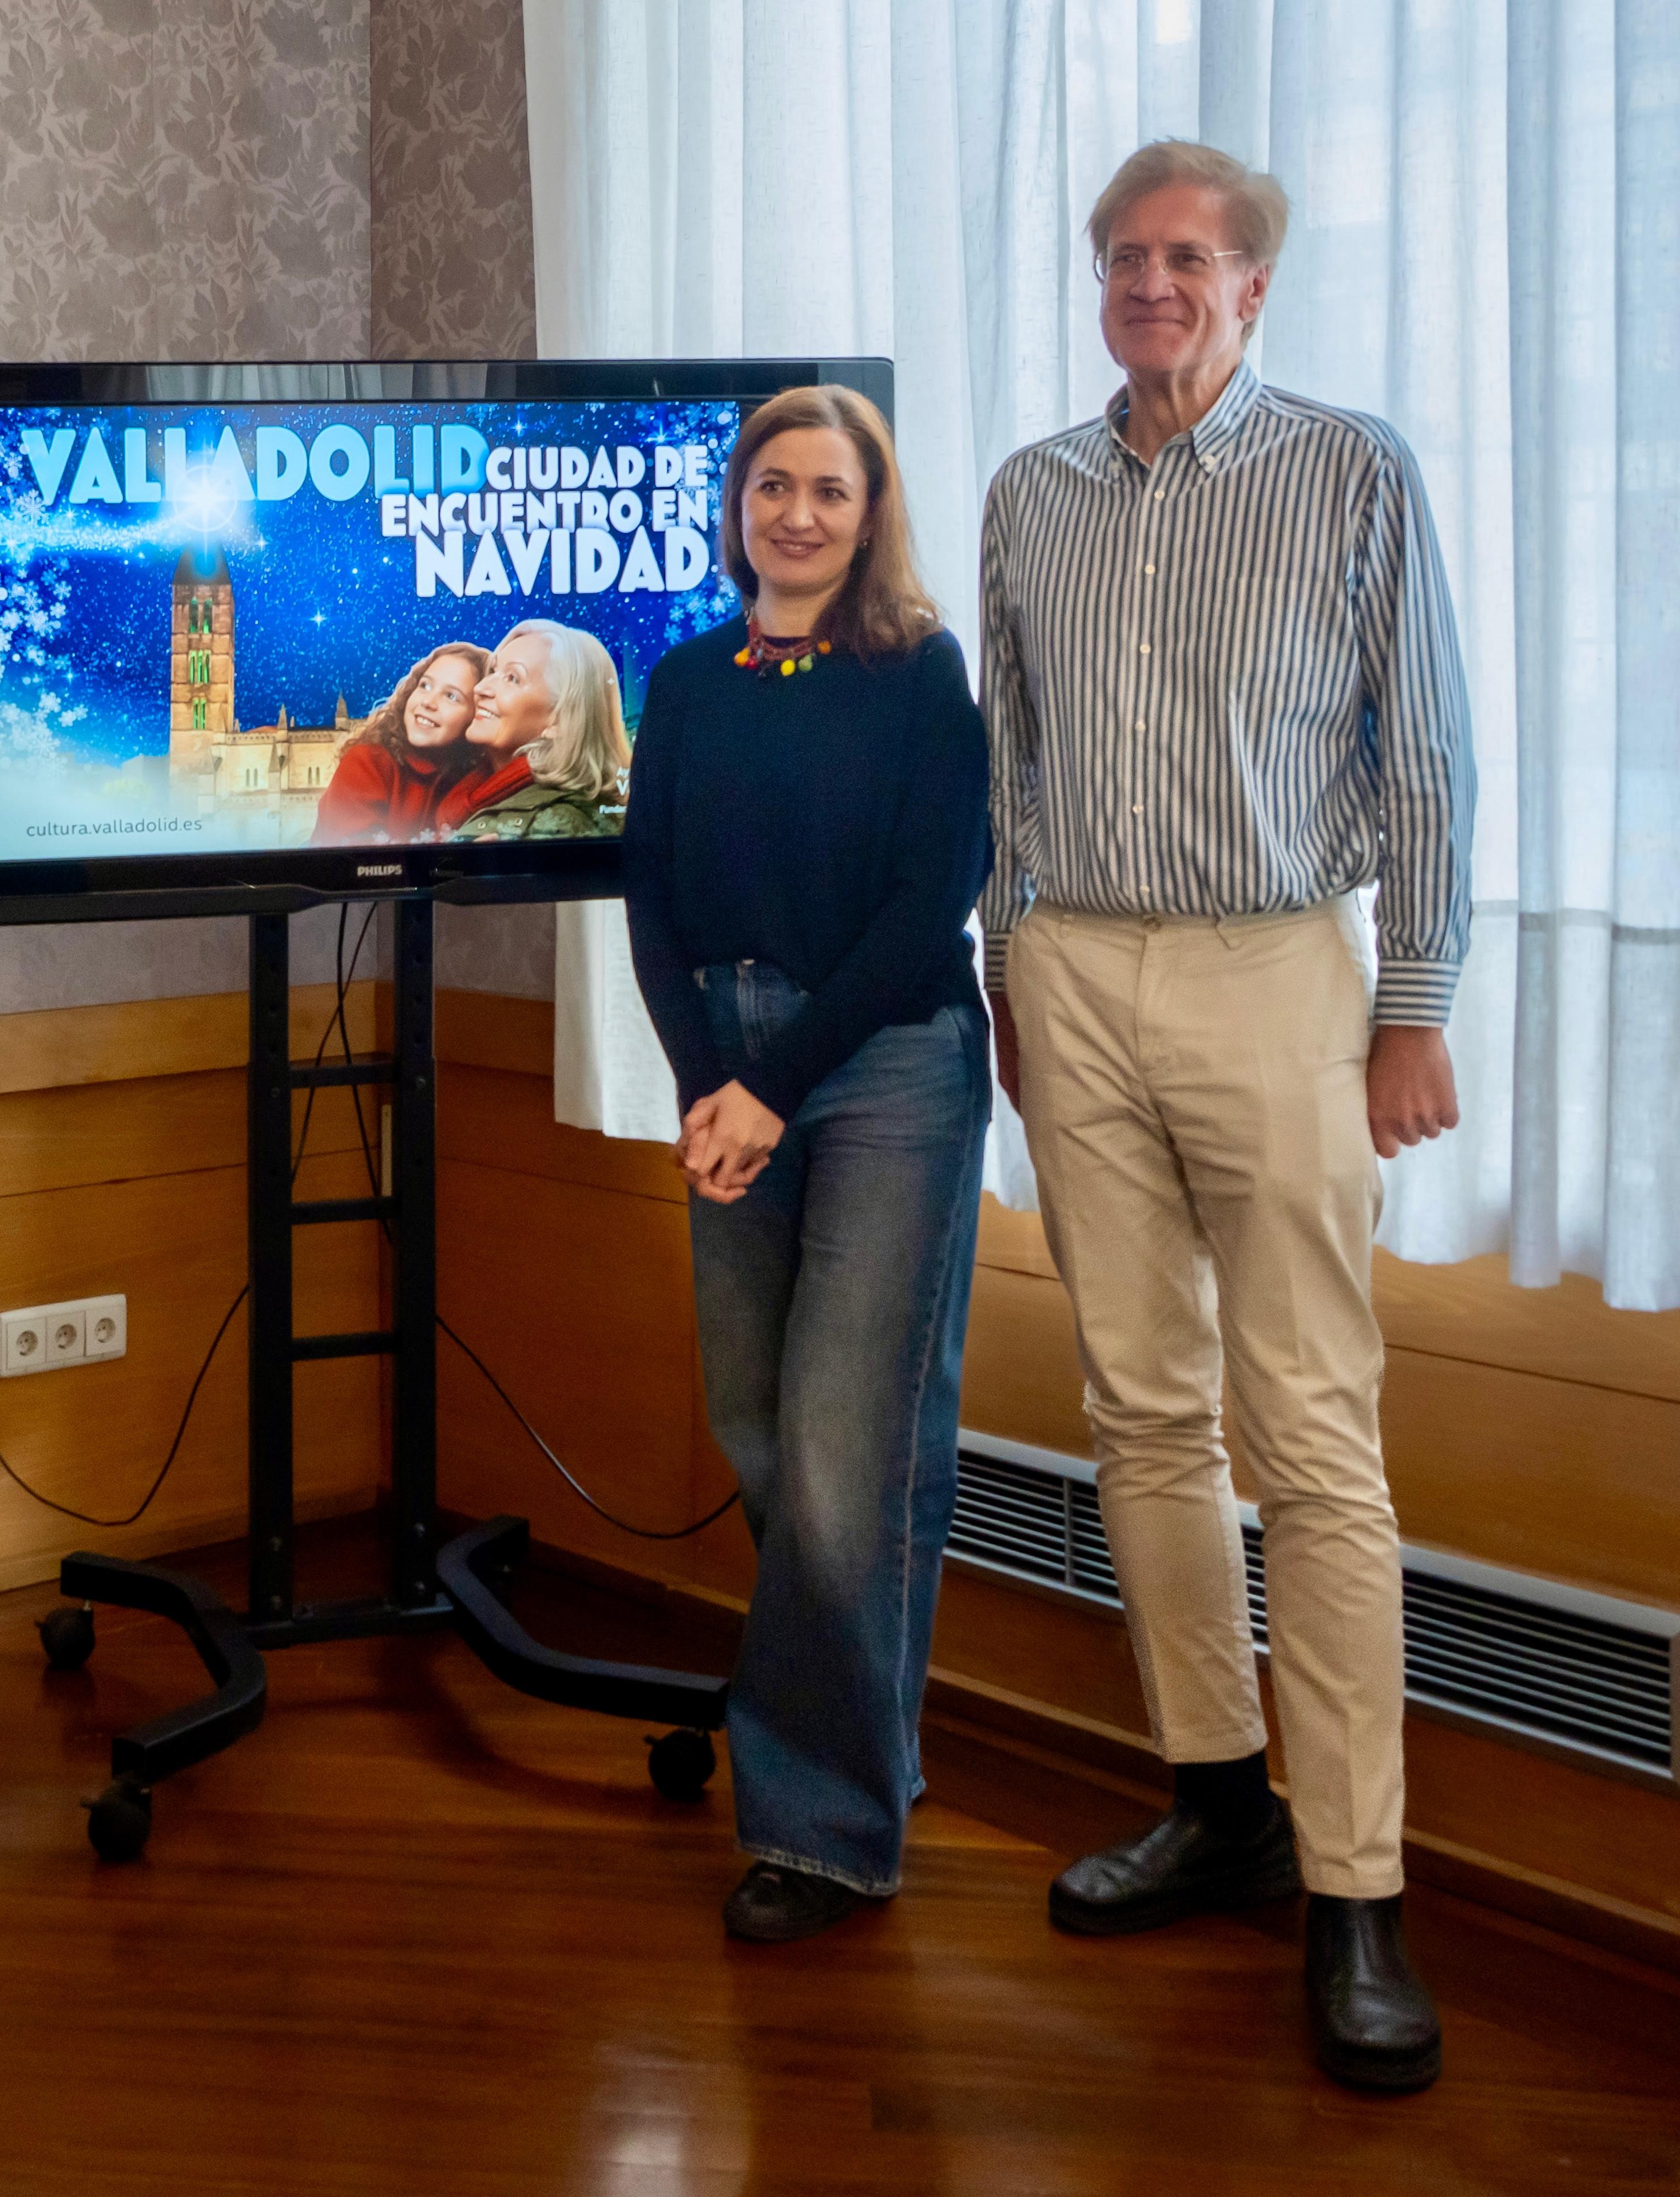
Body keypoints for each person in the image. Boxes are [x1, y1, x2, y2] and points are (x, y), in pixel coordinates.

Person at [978, 140, 1474, 2092]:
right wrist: (1009, 971)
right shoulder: (1031, 492)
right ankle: (1218, 1800)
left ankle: (1359, 1892)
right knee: (1140, 1408)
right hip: (1071, 971)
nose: (1151, 283)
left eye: (1188, 256)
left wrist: (1413, 1007)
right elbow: (1007, 762)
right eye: (1124, 254)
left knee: (1317, 1440)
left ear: (1253, 285)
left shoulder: (1353, 472)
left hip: (1279, 973)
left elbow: (1424, 757)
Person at [622, 385, 989, 1944]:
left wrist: (769, 1088)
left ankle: (823, 1833)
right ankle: (865, 1746)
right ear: (738, 507)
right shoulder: (687, 678)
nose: (796, 513)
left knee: (850, 1448)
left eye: (829, 489)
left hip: (888, 1062)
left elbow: (928, 902)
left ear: (870, 510)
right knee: (763, 1431)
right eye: (771, 485)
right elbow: (650, 897)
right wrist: (706, 1086)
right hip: (731, 1066)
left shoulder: (920, 672)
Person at [444, 619, 629, 840]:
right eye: (493, 671)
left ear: (559, 720)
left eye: (513, 678)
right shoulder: (465, 786)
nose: (480, 688)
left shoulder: (560, 823)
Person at [308, 641, 497, 843]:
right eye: (425, 686)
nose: (428, 702)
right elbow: (353, 857)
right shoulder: (367, 763)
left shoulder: (476, 778)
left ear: (477, 714)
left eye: (451, 696)